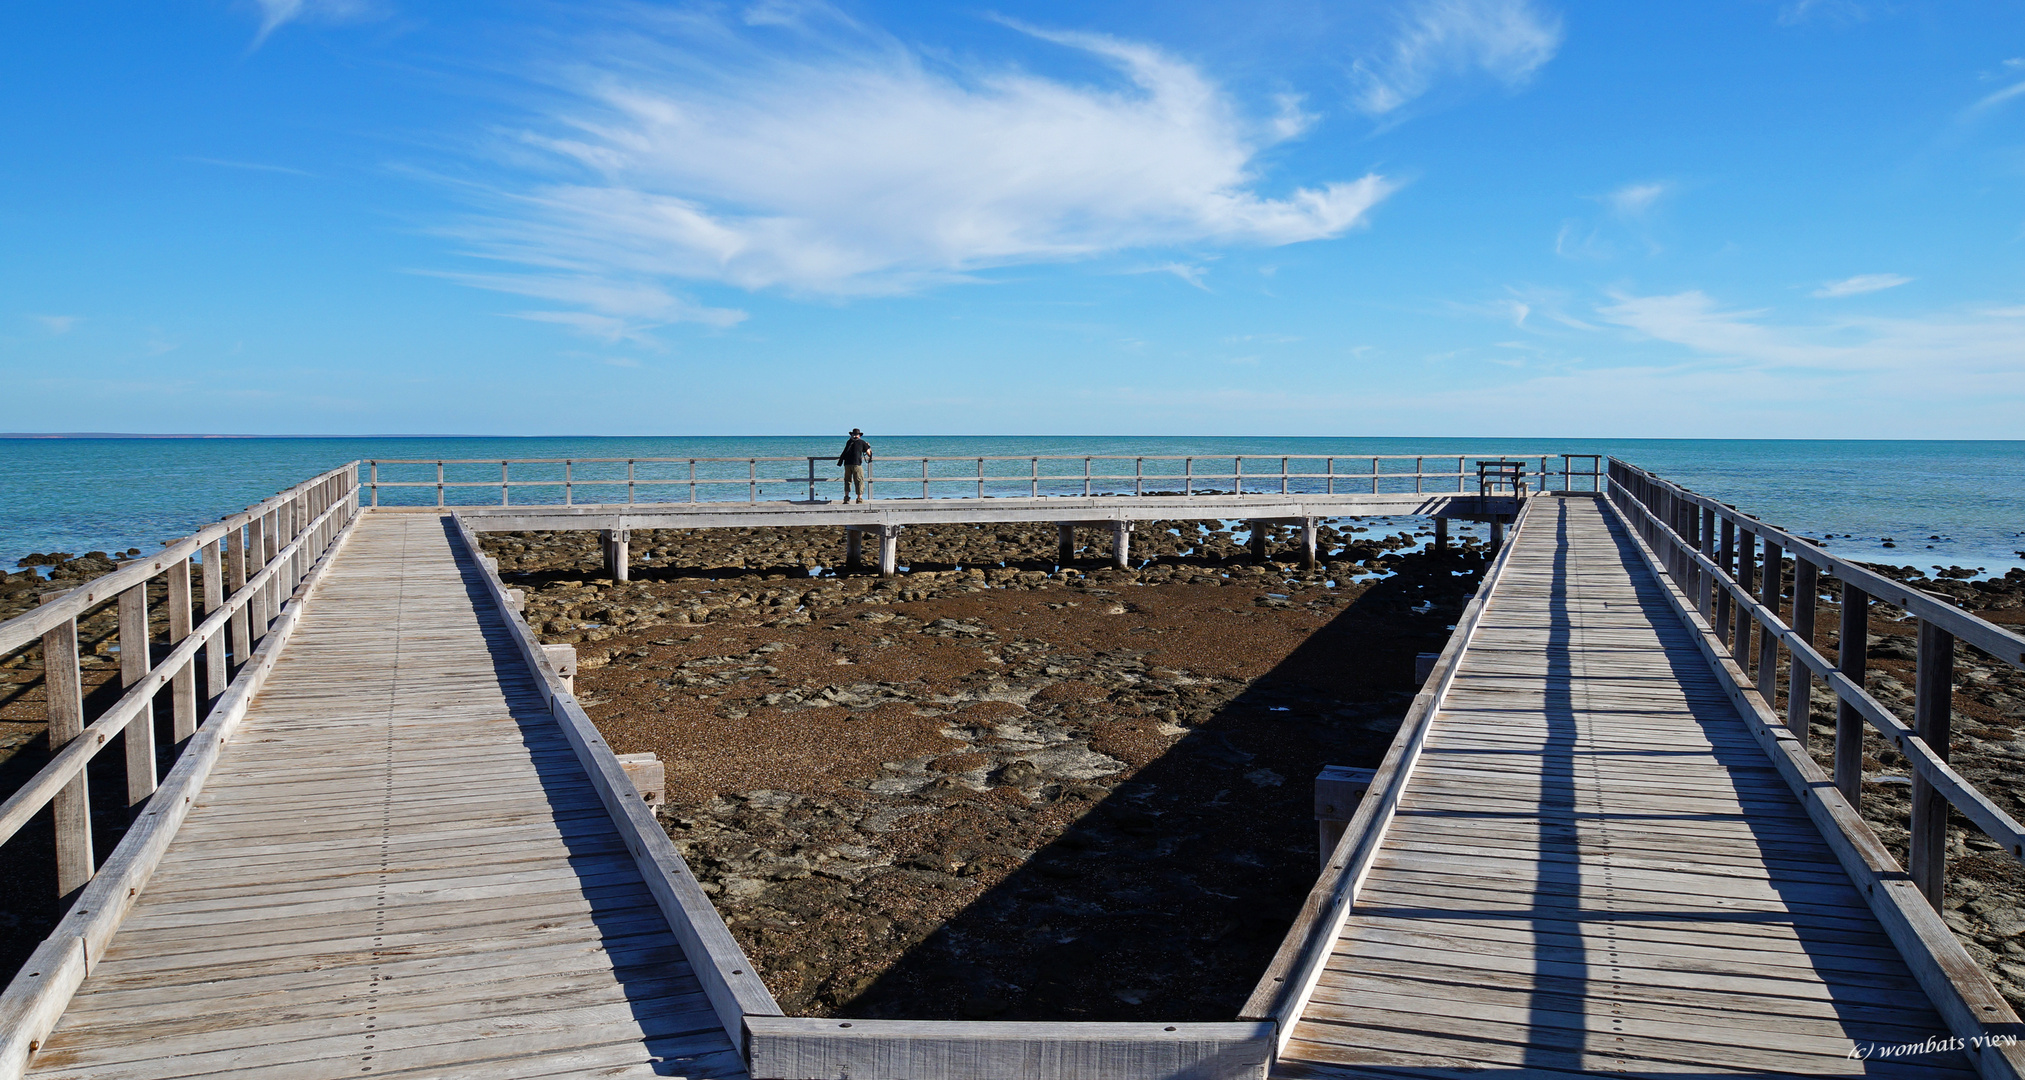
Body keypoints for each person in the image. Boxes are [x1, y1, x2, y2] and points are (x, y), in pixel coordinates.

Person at [837, 428, 872, 503]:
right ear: (859, 435)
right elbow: (869, 454)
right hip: (856, 464)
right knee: (859, 481)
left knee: (847, 480)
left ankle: (846, 498)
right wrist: (868, 446)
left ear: (852, 435)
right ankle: (859, 499)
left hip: (847, 464)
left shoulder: (849, 442)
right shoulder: (862, 442)